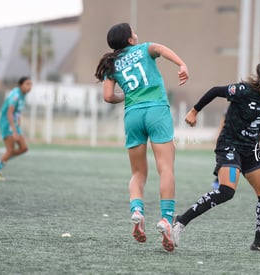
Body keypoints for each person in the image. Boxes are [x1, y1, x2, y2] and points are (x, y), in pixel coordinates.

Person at [172, 58, 260, 252]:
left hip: (251, 150)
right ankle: (180, 221)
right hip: (230, 146)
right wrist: (194, 111)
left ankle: (259, 242)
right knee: (226, 191)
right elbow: (215, 91)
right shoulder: (244, 91)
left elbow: (259, 118)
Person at [94, 22, 189, 252]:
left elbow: (108, 97)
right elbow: (162, 49)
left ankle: (137, 211)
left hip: (133, 115)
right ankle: (166, 219)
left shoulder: (111, 63)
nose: (136, 34)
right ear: (130, 40)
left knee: (138, 173)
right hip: (157, 110)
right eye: (132, 32)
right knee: (166, 169)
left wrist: (127, 96)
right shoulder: (145, 48)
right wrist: (181, 64)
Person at [0, 77, 32, 181]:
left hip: (14, 125)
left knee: (24, 148)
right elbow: (9, 113)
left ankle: (0, 160)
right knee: (10, 150)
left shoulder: (23, 95)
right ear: (21, 85)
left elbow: (17, 112)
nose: (30, 87)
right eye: (27, 84)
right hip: (7, 124)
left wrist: (18, 127)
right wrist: (14, 130)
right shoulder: (15, 95)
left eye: (31, 84)